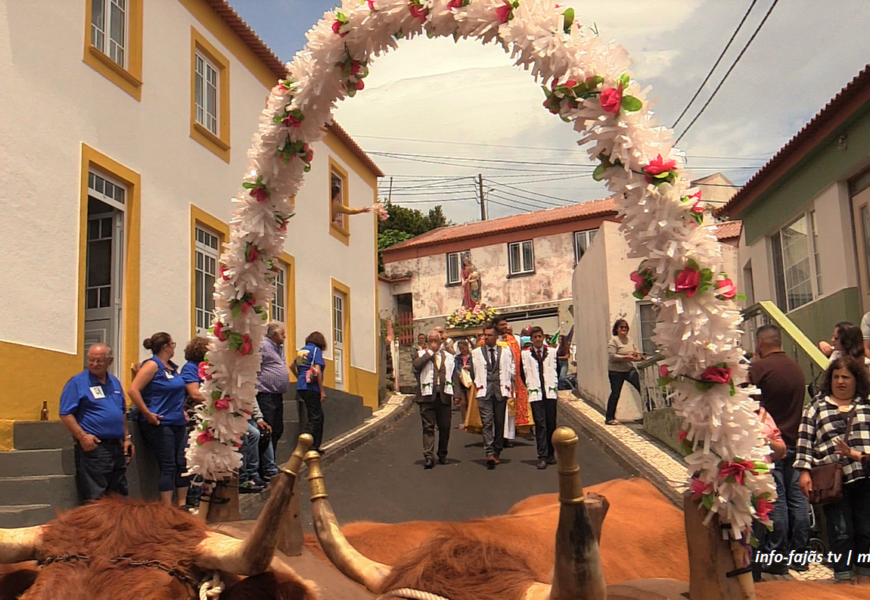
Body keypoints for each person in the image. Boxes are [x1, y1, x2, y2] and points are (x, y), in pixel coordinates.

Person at [796, 357, 870, 584]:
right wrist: (804, 472)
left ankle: (865, 575)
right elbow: (805, 441)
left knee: (866, 529)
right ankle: (844, 577)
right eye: (836, 377)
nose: (840, 381)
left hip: (864, 477)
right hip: (832, 481)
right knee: (840, 531)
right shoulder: (816, 408)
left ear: (856, 380)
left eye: (846, 377)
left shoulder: (866, 406)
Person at [748, 324, 810, 574]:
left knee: (778, 502)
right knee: (799, 502)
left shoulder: (760, 368)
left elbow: (747, 399)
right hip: (796, 440)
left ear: (760, 344)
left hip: (771, 445)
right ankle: (801, 555)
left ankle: (776, 557)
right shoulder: (796, 369)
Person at [59, 343, 134, 502]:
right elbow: (65, 413)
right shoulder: (77, 382)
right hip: (95, 448)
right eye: (91, 360)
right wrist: (82, 437)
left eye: (99, 361)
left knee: (119, 494)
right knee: (96, 496)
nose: (94, 364)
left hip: (117, 447)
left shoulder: (114, 382)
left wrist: (127, 438)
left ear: (110, 361)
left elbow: (121, 412)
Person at [129, 332, 189, 507]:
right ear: (166, 347)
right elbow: (133, 390)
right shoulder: (152, 365)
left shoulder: (172, 368)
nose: (173, 348)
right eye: (172, 344)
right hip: (161, 423)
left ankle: (182, 503)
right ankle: (167, 506)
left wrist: (182, 410)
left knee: (182, 462)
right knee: (168, 464)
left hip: (178, 421)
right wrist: (147, 413)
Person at [472, 323, 514, 469]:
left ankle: (497, 450)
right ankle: (489, 452)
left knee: (499, 422)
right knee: (487, 422)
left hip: (500, 391)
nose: (487, 338)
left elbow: (511, 370)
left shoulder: (506, 352)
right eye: (485, 335)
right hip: (484, 392)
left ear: (496, 337)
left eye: (490, 335)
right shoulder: (476, 353)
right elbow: (473, 372)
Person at [413, 331, 455, 469]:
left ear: (440, 341)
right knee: (428, 427)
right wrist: (430, 352)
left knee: (445, 427)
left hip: (444, 396)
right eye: (430, 341)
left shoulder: (448, 356)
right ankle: (429, 456)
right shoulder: (421, 355)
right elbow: (417, 366)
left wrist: (458, 394)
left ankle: (442, 454)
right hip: (427, 397)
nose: (433, 343)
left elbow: (453, 375)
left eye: (435, 341)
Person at [521, 327, 559, 470]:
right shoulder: (525, 354)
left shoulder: (552, 352)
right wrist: (531, 385)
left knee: (551, 424)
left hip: (549, 392)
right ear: (531, 340)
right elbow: (522, 373)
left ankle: (550, 453)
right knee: (540, 424)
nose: (538, 339)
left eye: (540, 336)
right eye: (535, 337)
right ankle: (541, 456)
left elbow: (557, 368)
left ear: (543, 338)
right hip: (536, 393)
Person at [180, 337, 209, 508]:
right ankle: (193, 495)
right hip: (194, 416)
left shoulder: (204, 368)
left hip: (205, 414)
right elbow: (195, 394)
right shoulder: (190, 368)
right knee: (196, 453)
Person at [491, 316, 532, 438]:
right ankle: (496, 436)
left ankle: (507, 436)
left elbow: (515, 360)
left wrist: (514, 374)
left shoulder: (512, 340)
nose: (505, 327)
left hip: (510, 380)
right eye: (502, 324)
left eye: (505, 324)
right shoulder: (490, 341)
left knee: (508, 410)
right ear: (496, 326)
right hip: (494, 381)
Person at [256, 323, 290, 466]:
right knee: (267, 431)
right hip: (265, 394)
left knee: (277, 429)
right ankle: (264, 466)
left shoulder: (278, 349)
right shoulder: (263, 346)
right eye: (282, 334)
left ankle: (271, 462)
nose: (285, 337)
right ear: (274, 334)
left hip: (277, 395)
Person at [294, 331, 328, 454]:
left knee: (313, 415)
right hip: (312, 387)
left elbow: (292, 366)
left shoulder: (302, 351)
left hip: (301, 386)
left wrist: (300, 377)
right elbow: (317, 371)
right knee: (316, 417)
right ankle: (308, 444)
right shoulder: (316, 351)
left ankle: (313, 445)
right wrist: (322, 391)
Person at [605, 319, 642, 426]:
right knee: (615, 393)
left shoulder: (629, 340)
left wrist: (637, 355)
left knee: (642, 388)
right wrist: (626, 357)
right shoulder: (613, 341)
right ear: (617, 329)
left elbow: (635, 350)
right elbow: (612, 356)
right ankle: (609, 418)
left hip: (629, 369)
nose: (624, 329)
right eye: (622, 327)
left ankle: (650, 411)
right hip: (616, 371)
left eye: (626, 327)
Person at [452, 339, 473, 429]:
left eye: (463, 348)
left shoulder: (472, 356)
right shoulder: (457, 358)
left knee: (470, 401)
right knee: (463, 403)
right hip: (461, 381)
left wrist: (469, 367)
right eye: (460, 349)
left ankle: (471, 421)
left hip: (470, 381)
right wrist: (460, 374)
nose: (462, 350)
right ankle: (464, 421)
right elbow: (456, 368)